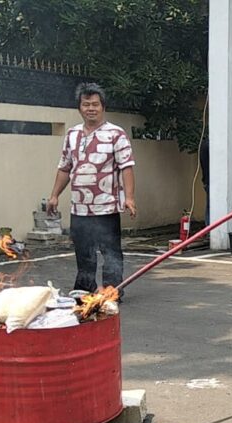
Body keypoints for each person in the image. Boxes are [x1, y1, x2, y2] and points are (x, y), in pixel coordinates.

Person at [47, 83, 136, 294]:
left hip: (106, 207)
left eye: (95, 104)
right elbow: (65, 167)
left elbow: (127, 167)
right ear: (79, 108)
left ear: (103, 107)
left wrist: (130, 198)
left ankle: (112, 290)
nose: (91, 108)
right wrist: (54, 196)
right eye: (86, 104)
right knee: (83, 252)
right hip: (79, 207)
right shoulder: (72, 134)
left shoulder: (116, 134)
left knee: (110, 251)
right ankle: (85, 290)